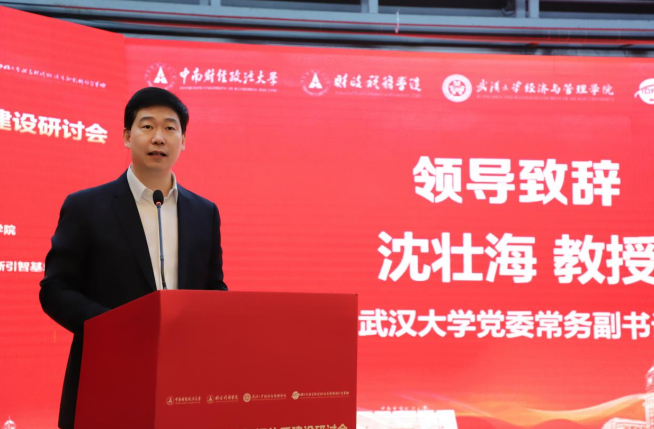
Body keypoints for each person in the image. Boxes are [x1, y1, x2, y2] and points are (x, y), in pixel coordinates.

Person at [39, 87, 228, 429]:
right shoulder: (85, 207)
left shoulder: (204, 212)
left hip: (183, 379)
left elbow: (214, 288)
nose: (159, 137)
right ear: (127, 136)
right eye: (147, 126)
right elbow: (56, 289)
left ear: (183, 140)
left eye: (170, 128)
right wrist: (117, 328)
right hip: (107, 372)